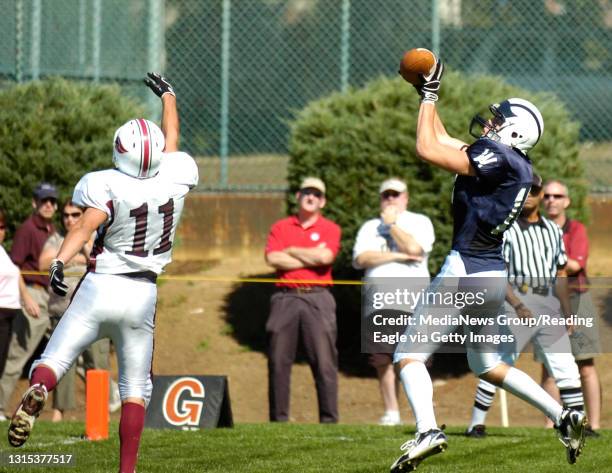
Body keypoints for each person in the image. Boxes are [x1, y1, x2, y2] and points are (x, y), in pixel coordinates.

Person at [389, 58, 586, 472]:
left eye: (499, 121)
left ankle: (427, 429)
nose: (490, 124)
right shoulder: (513, 163)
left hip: (466, 267)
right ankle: (564, 415)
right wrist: (426, 97)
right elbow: (441, 137)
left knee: (408, 352)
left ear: (514, 132)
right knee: (489, 364)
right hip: (492, 274)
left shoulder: (501, 158)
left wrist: (428, 96)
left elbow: (426, 148)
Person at [8, 72, 198, 473]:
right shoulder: (176, 176)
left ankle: (39, 388)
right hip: (143, 293)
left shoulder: (106, 184)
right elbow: (174, 141)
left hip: (101, 283)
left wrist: (59, 261)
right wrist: (169, 96)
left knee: (55, 358)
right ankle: (126, 469)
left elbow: (83, 226)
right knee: (134, 389)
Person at [465, 174, 584, 438]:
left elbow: (561, 274)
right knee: (498, 363)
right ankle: (476, 423)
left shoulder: (553, 230)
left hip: (548, 301)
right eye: (525, 189)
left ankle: (579, 423)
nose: (530, 194)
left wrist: (567, 313)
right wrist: (517, 305)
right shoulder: (505, 228)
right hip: (516, 299)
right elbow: (498, 272)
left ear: (541, 194)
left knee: (565, 366)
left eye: (535, 190)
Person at [353, 177, 434, 425]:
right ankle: (392, 412)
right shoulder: (368, 227)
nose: (390, 199)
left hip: (414, 303)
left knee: (417, 360)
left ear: (406, 198)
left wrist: (393, 225)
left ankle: (423, 414)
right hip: (378, 304)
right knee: (382, 360)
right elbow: (361, 258)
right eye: (386, 195)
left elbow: (416, 249)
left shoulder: (419, 222)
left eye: (395, 195)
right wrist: (399, 255)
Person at [264, 177, 341, 423]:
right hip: (285, 297)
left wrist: (292, 251)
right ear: (298, 196)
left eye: (317, 194)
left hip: (318, 297)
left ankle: (329, 421)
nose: (311, 197)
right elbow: (273, 259)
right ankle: (278, 420)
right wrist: (310, 257)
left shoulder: (331, 228)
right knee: (278, 361)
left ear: (323, 201)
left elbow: (326, 257)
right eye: (307, 192)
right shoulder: (280, 227)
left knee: (324, 362)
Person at [38, 200, 120, 422]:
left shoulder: (98, 238)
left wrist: (78, 245)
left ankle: (99, 417)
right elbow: (43, 262)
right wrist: (72, 254)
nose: (70, 220)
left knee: (97, 364)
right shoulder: (54, 239)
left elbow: (99, 261)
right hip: (62, 313)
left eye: (75, 215)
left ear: (83, 215)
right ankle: (59, 413)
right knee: (61, 363)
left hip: (94, 313)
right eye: (66, 216)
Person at [540, 179, 601, 436]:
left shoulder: (576, 229)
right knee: (548, 368)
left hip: (577, 299)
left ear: (567, 201)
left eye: (557, 196)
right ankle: (550, 424)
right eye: (547, 196)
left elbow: (574, 266)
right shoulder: (536, 230)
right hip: (546, 301)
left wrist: (542, 267)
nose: (551, 200)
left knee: (585, 365)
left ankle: (594, 424)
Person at [0, 182, 58, 419]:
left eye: (52, 201)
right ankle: (0, 406)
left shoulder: (52, 231)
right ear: (34, 203)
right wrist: (26, 298)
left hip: (50, 297)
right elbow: (14, 267)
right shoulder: (27, 229)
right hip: (33, 293)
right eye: (43, 200)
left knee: (65, 350)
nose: (48, 205)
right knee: (17, 356)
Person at [0, 209, 40, 390]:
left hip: (8, 315)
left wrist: (26, 297)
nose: (0, 231)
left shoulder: (2, 252)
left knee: (1, 363)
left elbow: (16, 274)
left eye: (2, 227)